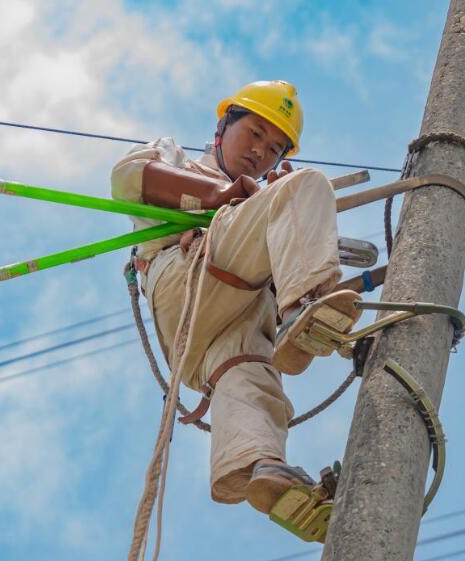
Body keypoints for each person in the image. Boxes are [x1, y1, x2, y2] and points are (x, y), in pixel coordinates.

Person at [111, 80, 361, 514]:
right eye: (255, 133)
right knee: (308, 185)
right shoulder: (179, 160)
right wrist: (220, 195)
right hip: (184, 280)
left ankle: (252, 461)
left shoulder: (262, 202)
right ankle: (306, 310)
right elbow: (127, 178)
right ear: (222, 128)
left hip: (211, 336)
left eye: (275, 148)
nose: (260, 151)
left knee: (249, 365)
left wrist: (277, 216)